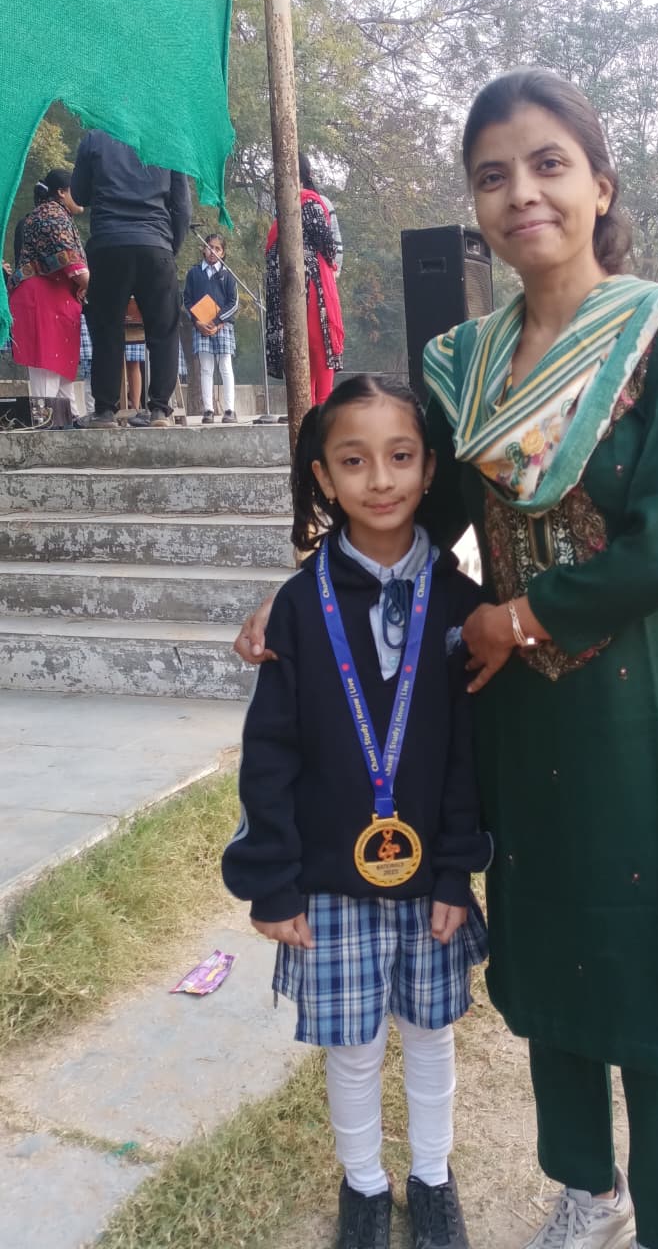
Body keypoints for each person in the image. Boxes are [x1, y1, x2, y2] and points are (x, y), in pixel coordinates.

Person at [236, 69, 658, 1249]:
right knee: (553, 948)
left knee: (655, 966)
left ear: (601, 186)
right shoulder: (467, 366)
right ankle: (587, 1186)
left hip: (653, 710)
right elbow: (412, 518)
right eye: (493, 176)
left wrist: (514, 619)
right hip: (523, 718)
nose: (521, 192)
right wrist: (301, 599)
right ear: (476, 206)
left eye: (547, 164)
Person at [222, 375, 491, 1249]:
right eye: (353, 461)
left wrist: (454, 869)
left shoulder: (463, 607)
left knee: (431, 1034)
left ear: (430, 468)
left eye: (400, 456)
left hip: (430, 882)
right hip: (329, 884)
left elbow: (466, 757)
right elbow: (270, 755)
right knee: (354, 1048)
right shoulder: (297, 610)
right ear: (323, 477)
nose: (380, 479)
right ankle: (366, 1187)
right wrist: (273, 883)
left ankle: (434, 1177)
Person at [70, 128, 191, 428]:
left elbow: (79, 194)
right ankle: (160, 409)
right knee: (163, 329)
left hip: (109, 243)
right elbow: (182, 206)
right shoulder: (168, 139)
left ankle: (104, 411)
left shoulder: (95, 137)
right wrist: (169, 246)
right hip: (156, 243)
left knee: (107, 328)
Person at [8, 169, 89, 428]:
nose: (83, 196)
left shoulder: (52, 214)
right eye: (77, 190)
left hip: (53, 298)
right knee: (47, 366)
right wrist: (105, 292)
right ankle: (47, 425)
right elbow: (74, 266)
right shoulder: (52, 217)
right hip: (41, 300)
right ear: (62, 192)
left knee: (60, 368)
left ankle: (68, 420)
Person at [265, 153, 344, 404]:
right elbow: (329, 248)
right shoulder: (306, 204)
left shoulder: (298, 205)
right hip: (307, 291)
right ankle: (317, 415)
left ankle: (311, 415)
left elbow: (329, 248)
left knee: (306, 358)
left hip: (298, 290)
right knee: (315, 355)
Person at [183, 232, 239, 423]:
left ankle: (230, 410)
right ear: (203, 248)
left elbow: (233, 302)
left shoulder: (227, 274)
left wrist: (218, 321)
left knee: (225, 366)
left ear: (223, 253)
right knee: (206, 368)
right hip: (201, 326)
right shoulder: (194, 273)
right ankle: (208, 410)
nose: (212, 251)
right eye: (209, 247)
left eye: (217, 248)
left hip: (223, 326)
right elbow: (187, 300)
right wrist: (197, 322)